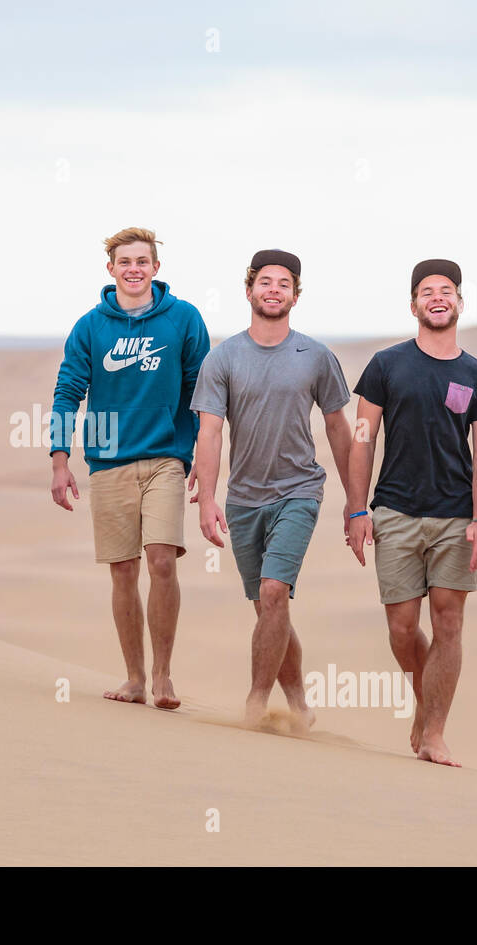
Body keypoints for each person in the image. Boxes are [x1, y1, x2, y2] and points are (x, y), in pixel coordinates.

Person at [190, 249, 353, 727]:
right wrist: (206, 499)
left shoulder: (316, 356)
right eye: (266, 282)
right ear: (249, 291)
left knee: (275, 591)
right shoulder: (223, 358)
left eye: (284, 283)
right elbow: (210, 431)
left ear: (296, 296)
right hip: (243, 499)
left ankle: (256, 706)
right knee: (267, 605)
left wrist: (356, 503)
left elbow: (340, 429)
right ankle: (299, 704)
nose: (274, 289)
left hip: (298, 490)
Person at [346, 258, 477, 767]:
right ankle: (425, 705)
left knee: (449, 622)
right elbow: (363, 439)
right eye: (427, 291)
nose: (438, 297)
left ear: (459, 302)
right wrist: (356, 508)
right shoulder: (387, 365)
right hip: (395, 512)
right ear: (413, 304)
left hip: (456, 516)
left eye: (448, 290)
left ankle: (434, 732)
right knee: (403, 628)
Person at [50, 226, 210, 710]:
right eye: (125, 262)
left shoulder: (183, 319)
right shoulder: (90, 327)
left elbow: (204, 391)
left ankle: (163, 676)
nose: (134, 269)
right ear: (111, 269)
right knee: (123, 571)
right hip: (108, 462)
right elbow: (67, 394)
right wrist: (60, 461)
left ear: (156, 268)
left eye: (143, 261)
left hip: (166, 456)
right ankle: (135, 679)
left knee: (162, 560)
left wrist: (203, 453)